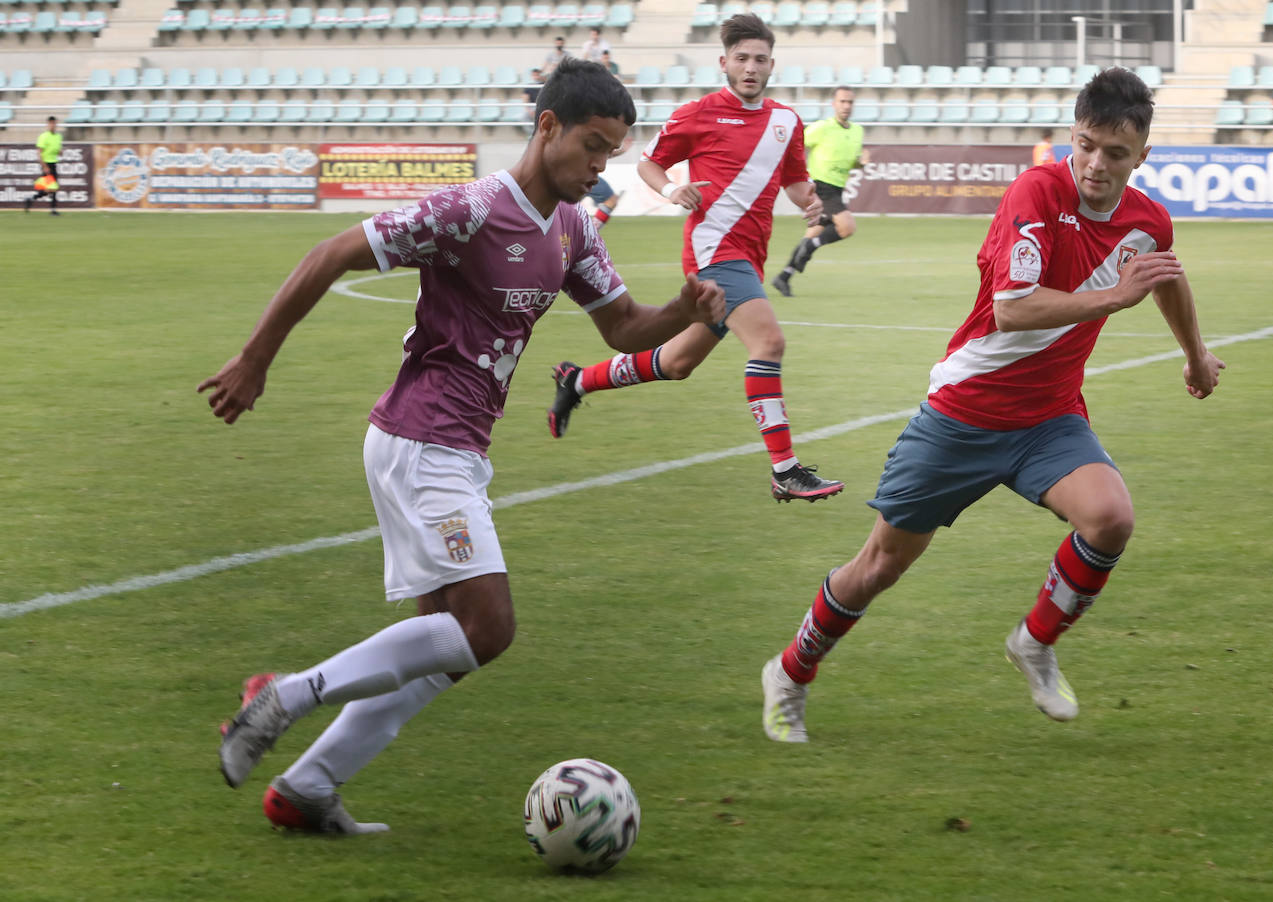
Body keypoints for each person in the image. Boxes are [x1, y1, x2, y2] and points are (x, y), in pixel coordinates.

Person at [198, 59, 724, 834]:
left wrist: (682, 309)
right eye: (591, 145)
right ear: (547, 128)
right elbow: (332, 253)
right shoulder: (470, 210)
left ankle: (308, 787)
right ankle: (284, 695)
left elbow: (622, 328)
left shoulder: (574, 226)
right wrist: (255, 359)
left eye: (611, 152)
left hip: (456, 448)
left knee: (442, 649)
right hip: (421, 438)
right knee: (488, 626)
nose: (599, 166)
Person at [759, 67, 1226, 742]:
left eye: (1116, 154)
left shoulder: (1147, 219)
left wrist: (1194, 354)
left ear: (1142, 156)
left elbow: (1165, 276)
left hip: (1048, 418)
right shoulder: (1036, 191)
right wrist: (1112, 298)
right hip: (963, 413)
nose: (1097, 164)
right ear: (1074, 134)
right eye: (1088, 144)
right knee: (880, 567)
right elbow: (1013, 311)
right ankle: (791, 671)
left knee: (1110, 518)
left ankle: (1034, 642)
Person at [546, 14, 845, 504]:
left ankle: (576, 380)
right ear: (724, 62)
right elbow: (648, 162)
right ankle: (785, 470)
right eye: (742, 58)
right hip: (713, 254)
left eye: (760, 59)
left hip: (750, 258)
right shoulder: (696, 114)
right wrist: (671, 188)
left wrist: (809, 200)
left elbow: (793, 179)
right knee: (768, 343)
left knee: (677, 362)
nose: (751, 67)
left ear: (773, 65)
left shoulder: (786, 122)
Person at [771, 85, 868, 298]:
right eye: (842, 101)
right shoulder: (822, 127)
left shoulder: (857, 131)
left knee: (812, 234)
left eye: (850, 102)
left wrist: (860, 163)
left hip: (837, 188)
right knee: (847, 227)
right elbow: (796, 144)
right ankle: (811, 247)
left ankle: (784, 277)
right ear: (833, 104)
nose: (846, 106)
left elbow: (850, 163)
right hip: (820, 187)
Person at [25, 116, 62, 215]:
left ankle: (31, 199)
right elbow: (39, 153)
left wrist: (60, 152)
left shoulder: (58, 136)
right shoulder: (43, 136)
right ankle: (53, 210)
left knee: (50, 189)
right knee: (53, 187)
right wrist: (44, 166)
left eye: (54, 123)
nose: (52, 125)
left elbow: (57, 150)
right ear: (48, 124)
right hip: (47, 164)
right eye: (51, 123)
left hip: (54, 163)